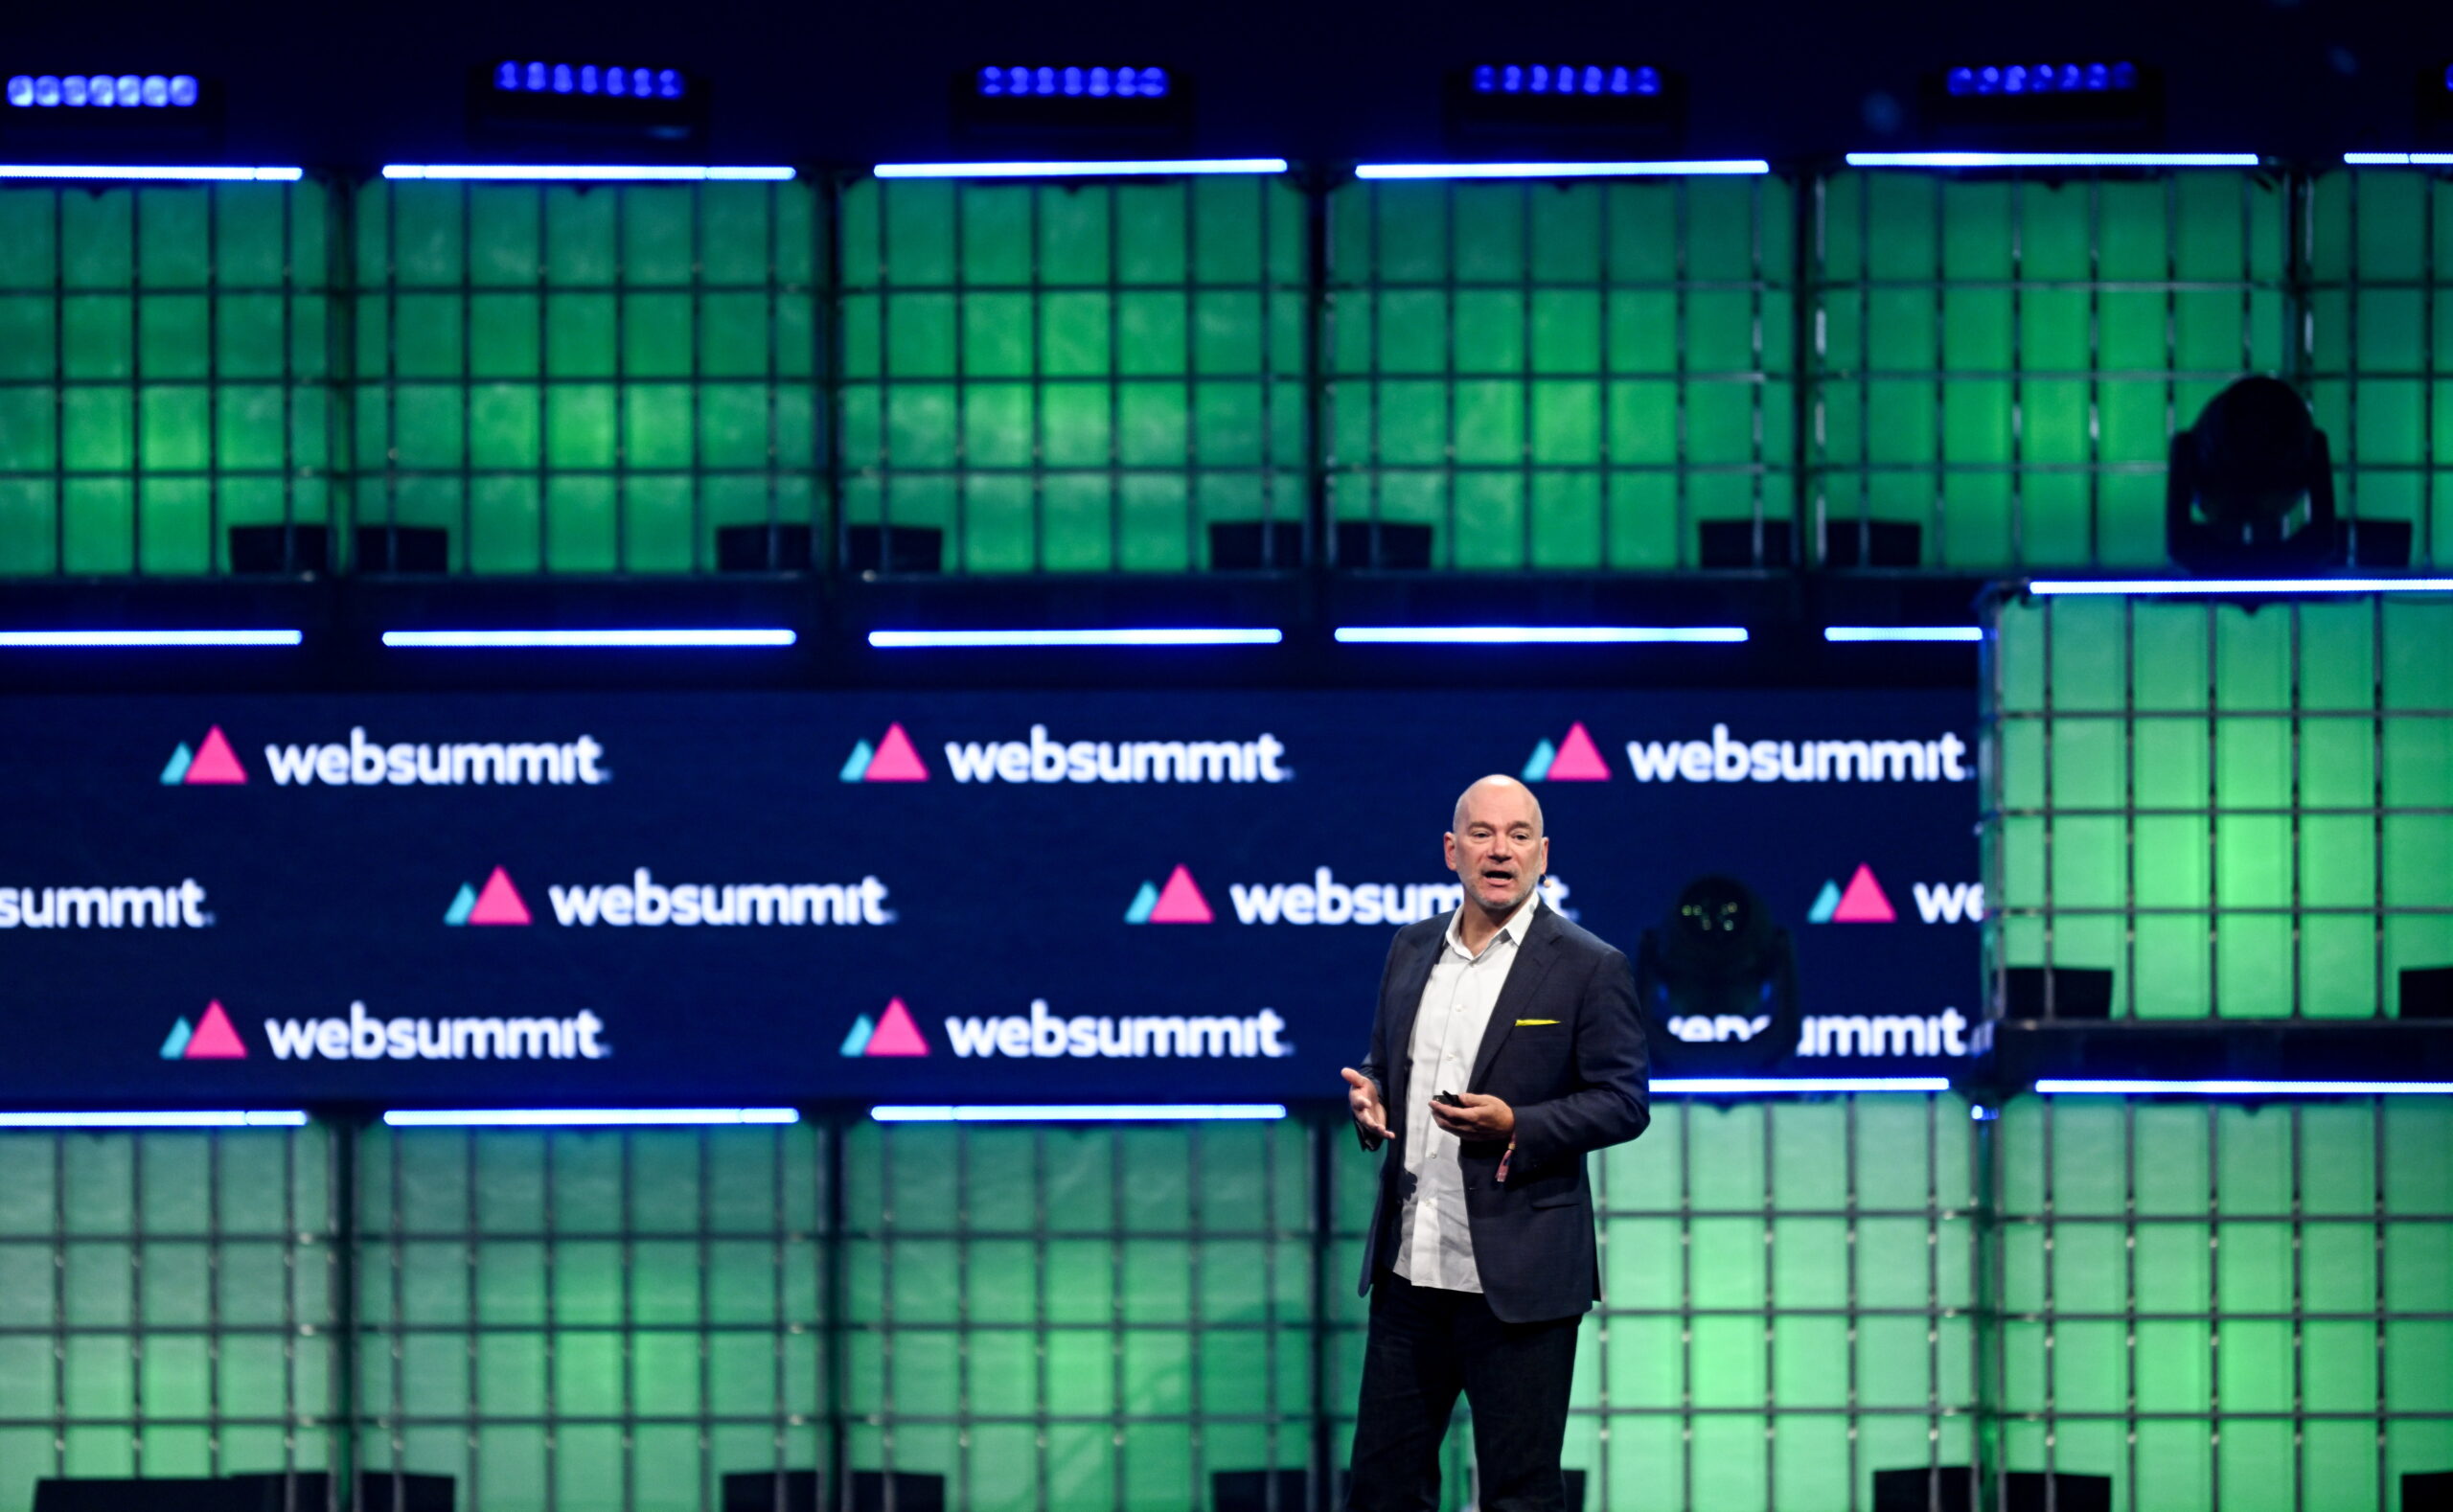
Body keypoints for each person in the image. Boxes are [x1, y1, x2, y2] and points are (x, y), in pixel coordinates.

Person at [1340, 774, 1649, 1512]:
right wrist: (1372, 1096)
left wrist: (1522, 1125)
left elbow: (1624, 1101)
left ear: (1544, 854)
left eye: (1518, 836)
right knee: (1382, 1489)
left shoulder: (1587, 965)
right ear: (1453, 851)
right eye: (1482, 834)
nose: (1500, 850)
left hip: (1523, 1279)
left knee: (1519, 1492)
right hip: (1410, 1274)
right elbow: (1390, 1062)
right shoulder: (1410, 949)